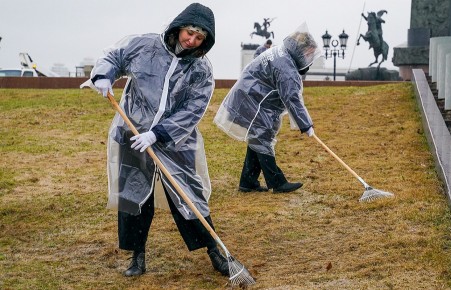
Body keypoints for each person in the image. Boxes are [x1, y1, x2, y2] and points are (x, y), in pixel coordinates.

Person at [88, 3, 229, 278]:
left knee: (189, 195)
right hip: (133, 134)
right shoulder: (146, 46)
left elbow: (194, 109)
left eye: (199, 38)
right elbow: (115, 57)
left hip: (173, 140)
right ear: (180, 27)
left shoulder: (201, 70)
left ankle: (215, 252)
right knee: (134, 196)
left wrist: (158, 133)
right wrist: (103, 75)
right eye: (190, 33)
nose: (192, 41)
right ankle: (137, 257)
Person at [214, 23, 321, 193]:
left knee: (258, 138)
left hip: (248, 98)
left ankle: (247, 182)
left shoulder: (283, 53)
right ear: (303, 49)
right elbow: (291, 98)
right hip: (252, 102)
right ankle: (277, 182)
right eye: (309, 53)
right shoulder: (286, 66)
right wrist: (306, 125)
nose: (309, 57)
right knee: (262, 137)